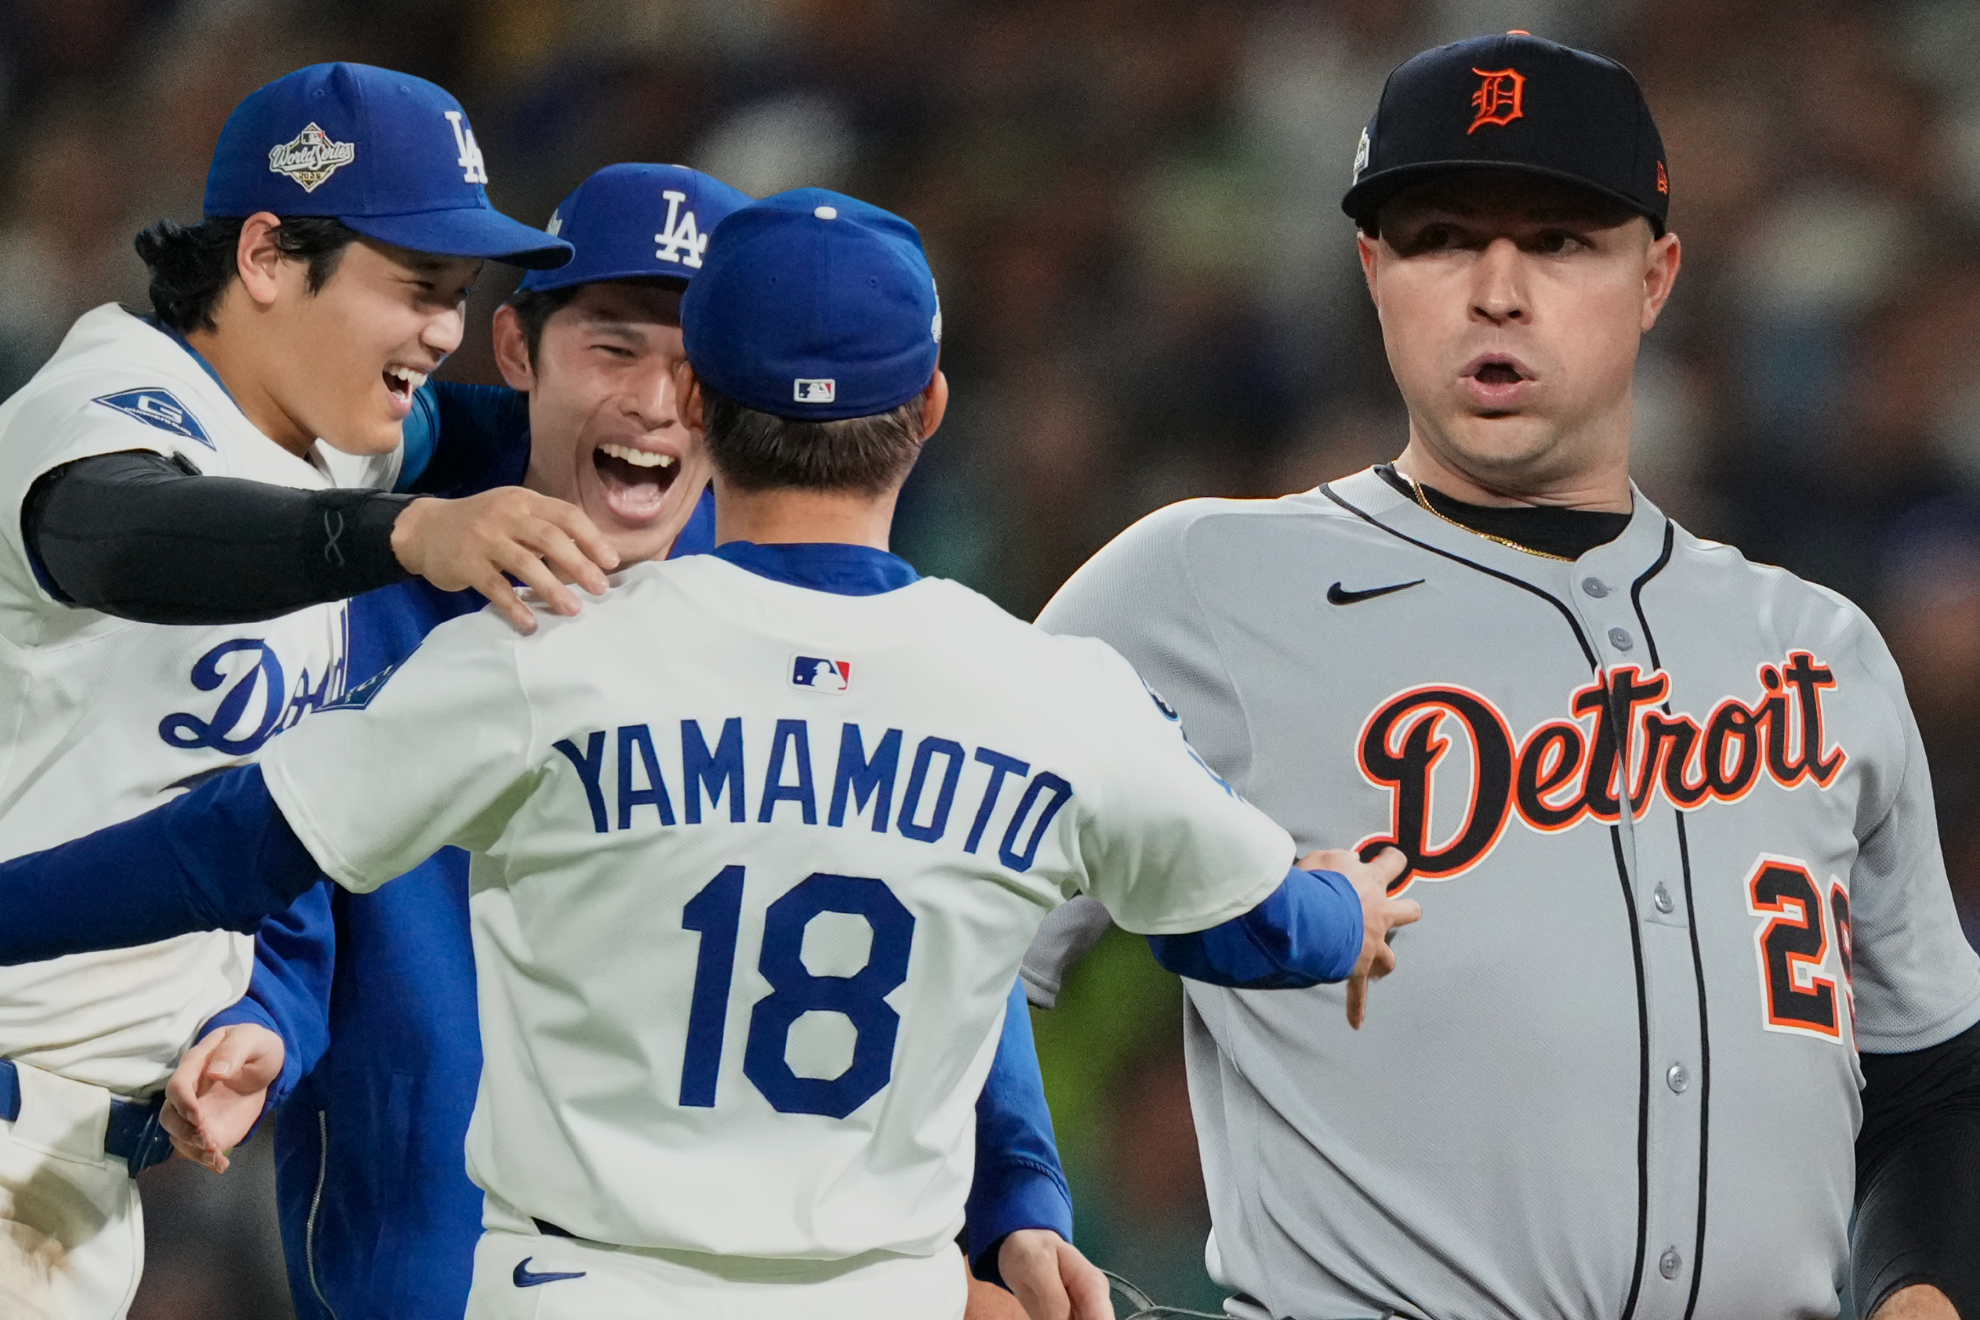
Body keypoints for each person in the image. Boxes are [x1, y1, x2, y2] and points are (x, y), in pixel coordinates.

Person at [0, 187, 1421, 1320]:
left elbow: (221, 850)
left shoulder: (532, 667)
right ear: (928, 412)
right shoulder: (1049, 694)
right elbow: (1259, 926)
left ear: (705, 405)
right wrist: (1349, 908)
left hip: (567, 1284)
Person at [1021, 30, 1980, 1320]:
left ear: (1657, 275)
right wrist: (985, 1234)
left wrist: (1925, 1292)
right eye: (1439, 237)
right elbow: (933, 927)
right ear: (1373, 272)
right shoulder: (1197, 587)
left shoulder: (1817, 646)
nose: (1497, 290)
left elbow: (1929, 1075)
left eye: (1563, 240)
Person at [156, 162, 1080, 1320]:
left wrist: (1021, 1197)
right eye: (614, 346)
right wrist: (257, 1024)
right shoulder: (373, 606)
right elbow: (289, 893)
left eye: (693, 361)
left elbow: (950, 912)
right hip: (429, 1275)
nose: (656, 400)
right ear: (517, 351)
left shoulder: (827, 624)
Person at [0, 60, 613, 1319]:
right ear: (270, 255)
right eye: (416, 288)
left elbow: (507, 427)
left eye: (461, 297)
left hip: (79, 1175)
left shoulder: (331, 431)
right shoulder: (105, 402)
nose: (444, 331)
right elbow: (120, 533)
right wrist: (398, 536)